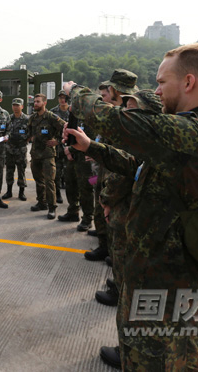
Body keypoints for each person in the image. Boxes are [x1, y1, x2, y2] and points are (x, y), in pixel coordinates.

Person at [66, 43, 198, 369]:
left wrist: (76, 92)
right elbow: (136, 166)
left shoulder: (195, 132)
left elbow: (116, 123)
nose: (156, 90)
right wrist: (92, 147)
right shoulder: (189, 129)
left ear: (188, 82)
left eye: (161, 82)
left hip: (170, 284)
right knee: (157, 355)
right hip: (155, 273)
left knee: (164, 360)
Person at [67, 89, 162, 369]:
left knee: (134, 291)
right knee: (127, 281)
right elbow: (126, 164)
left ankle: (131, 353)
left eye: (133, 109)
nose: (126, 114)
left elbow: (125, 173)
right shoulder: (147, 141)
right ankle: (130, 348)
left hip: (132, 217)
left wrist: (107, 200)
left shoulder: (152, 140)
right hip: (130, 215)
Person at [85, 69, 138, 262]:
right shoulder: (119, 113)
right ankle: (105, 246)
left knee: (114, 217)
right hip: (106, 170)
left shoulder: (126, 115)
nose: (103, 97)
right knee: (103, 211)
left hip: (117, 176)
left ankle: (112, 256)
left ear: (115, 90)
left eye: (106, 92)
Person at [27, 93, 66, 219]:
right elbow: (28, 132)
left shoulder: (51, 117)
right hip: (35, 154)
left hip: (48, 154)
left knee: (50, 181)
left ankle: (52, 207)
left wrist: (58, 141)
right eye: (35, 102)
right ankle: (41, 202)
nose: (35, 104)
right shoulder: (32, 118)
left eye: (38, 101)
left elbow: (66, 128)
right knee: (39, 180)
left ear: (45, 103)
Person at [2, 97, 29, 201]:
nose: (16, 107)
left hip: (21, 150)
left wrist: (26, 139)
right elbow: (4, 131)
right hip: (9, 149)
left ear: (22, 106)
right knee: (9, 171)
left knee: (21, 171)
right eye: (14, 105)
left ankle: (21, 192)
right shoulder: (8, 118)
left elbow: (30, 132)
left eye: (18, 105)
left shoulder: (27, 119)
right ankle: (9, 191)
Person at [50, 90, 71, 203]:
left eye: (65, 98)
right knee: (57, 173)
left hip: (71, 148)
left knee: (69, 174)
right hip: (57, 148)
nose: (63, 100)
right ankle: (57, 193)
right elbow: (49, 130)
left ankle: (71, 197)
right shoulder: (53, 112)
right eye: (60, 98)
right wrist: (57, 141)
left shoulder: (73, 112)